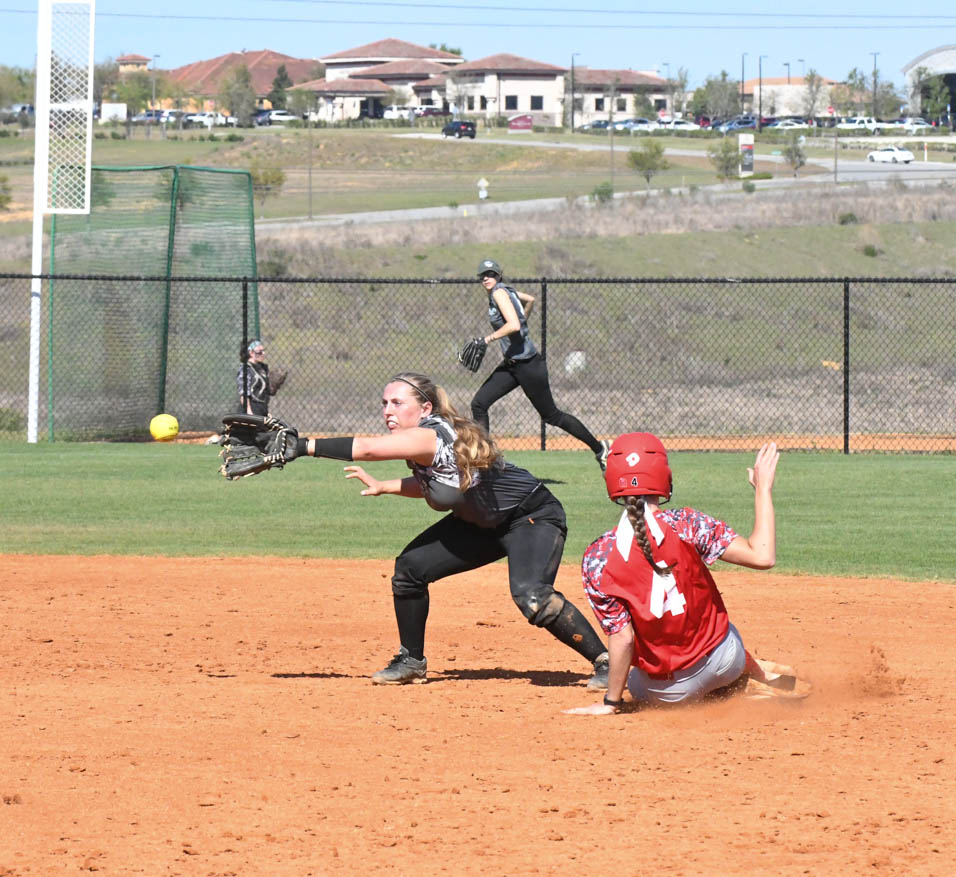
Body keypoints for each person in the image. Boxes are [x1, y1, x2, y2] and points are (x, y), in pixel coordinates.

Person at [293, 371, 611, 688]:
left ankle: (605, 662)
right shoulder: (422, 441)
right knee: (411, 569)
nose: (388, 410)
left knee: (532, 596)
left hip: (530, 516)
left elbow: (368, 449)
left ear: (426, 408)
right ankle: (411, 661)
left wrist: (304, 445)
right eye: (384, 403)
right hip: (482, 524)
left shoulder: (428, 435)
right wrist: (385, 486)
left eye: (398, 402)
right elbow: (440, 485)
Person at [564, 433, 781, 715]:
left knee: (634, 679)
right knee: (726, 635)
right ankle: (751, 676)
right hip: (725, 661)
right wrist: (763, 488)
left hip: (667, 693)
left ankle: (721, 691)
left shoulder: (597, 557)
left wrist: (611, 703)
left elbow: (624, 638)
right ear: (663, 477)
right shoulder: (687, 524)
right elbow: (763, 556)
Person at [467, 259, 610, 470]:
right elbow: (530, 300)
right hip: (512, 365)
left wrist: (488, 339)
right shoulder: (509, 292)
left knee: (552, 416)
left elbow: (513, 325)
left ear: (499, 275)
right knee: (479, 403)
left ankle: (600, 449)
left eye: (491, 274)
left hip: (528, 366)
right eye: (483, 275)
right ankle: (486, 462)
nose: (487, 278)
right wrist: (523, 320)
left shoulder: (499, 293)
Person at [238, 339, 286, 416]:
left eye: (263, 351)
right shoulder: (246, 369)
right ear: (251, 353)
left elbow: (266, 392)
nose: (263, 353)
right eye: (260, 352)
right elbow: (244, 393)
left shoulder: (263, 369)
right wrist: (249, 412)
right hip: (251, 409)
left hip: (261, 410)